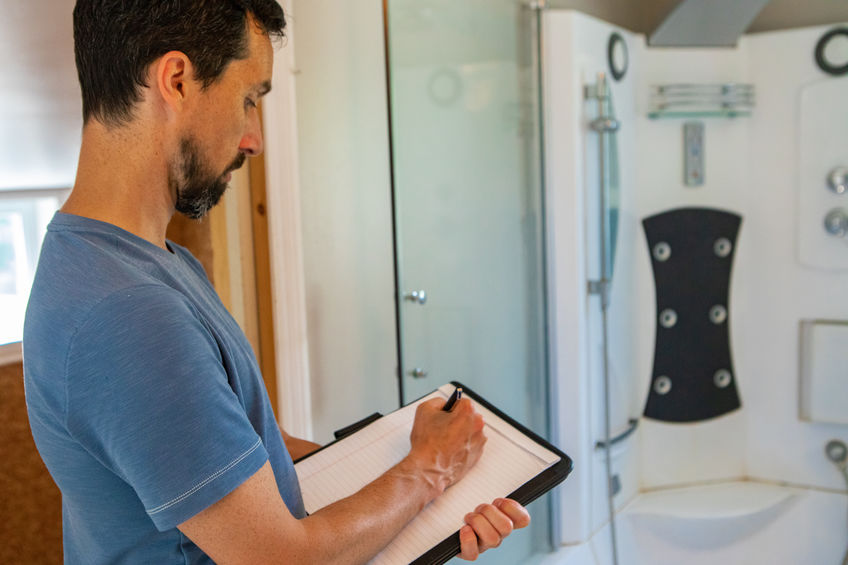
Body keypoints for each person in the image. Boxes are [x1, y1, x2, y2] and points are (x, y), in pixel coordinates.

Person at [23, 1, 531, 563]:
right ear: (176, 80)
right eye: (248, 99)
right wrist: (428, 472)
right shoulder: (128, 311)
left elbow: (248, 453)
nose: (254, 140)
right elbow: (278, 558)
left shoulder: (138, 264)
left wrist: (422, 487)